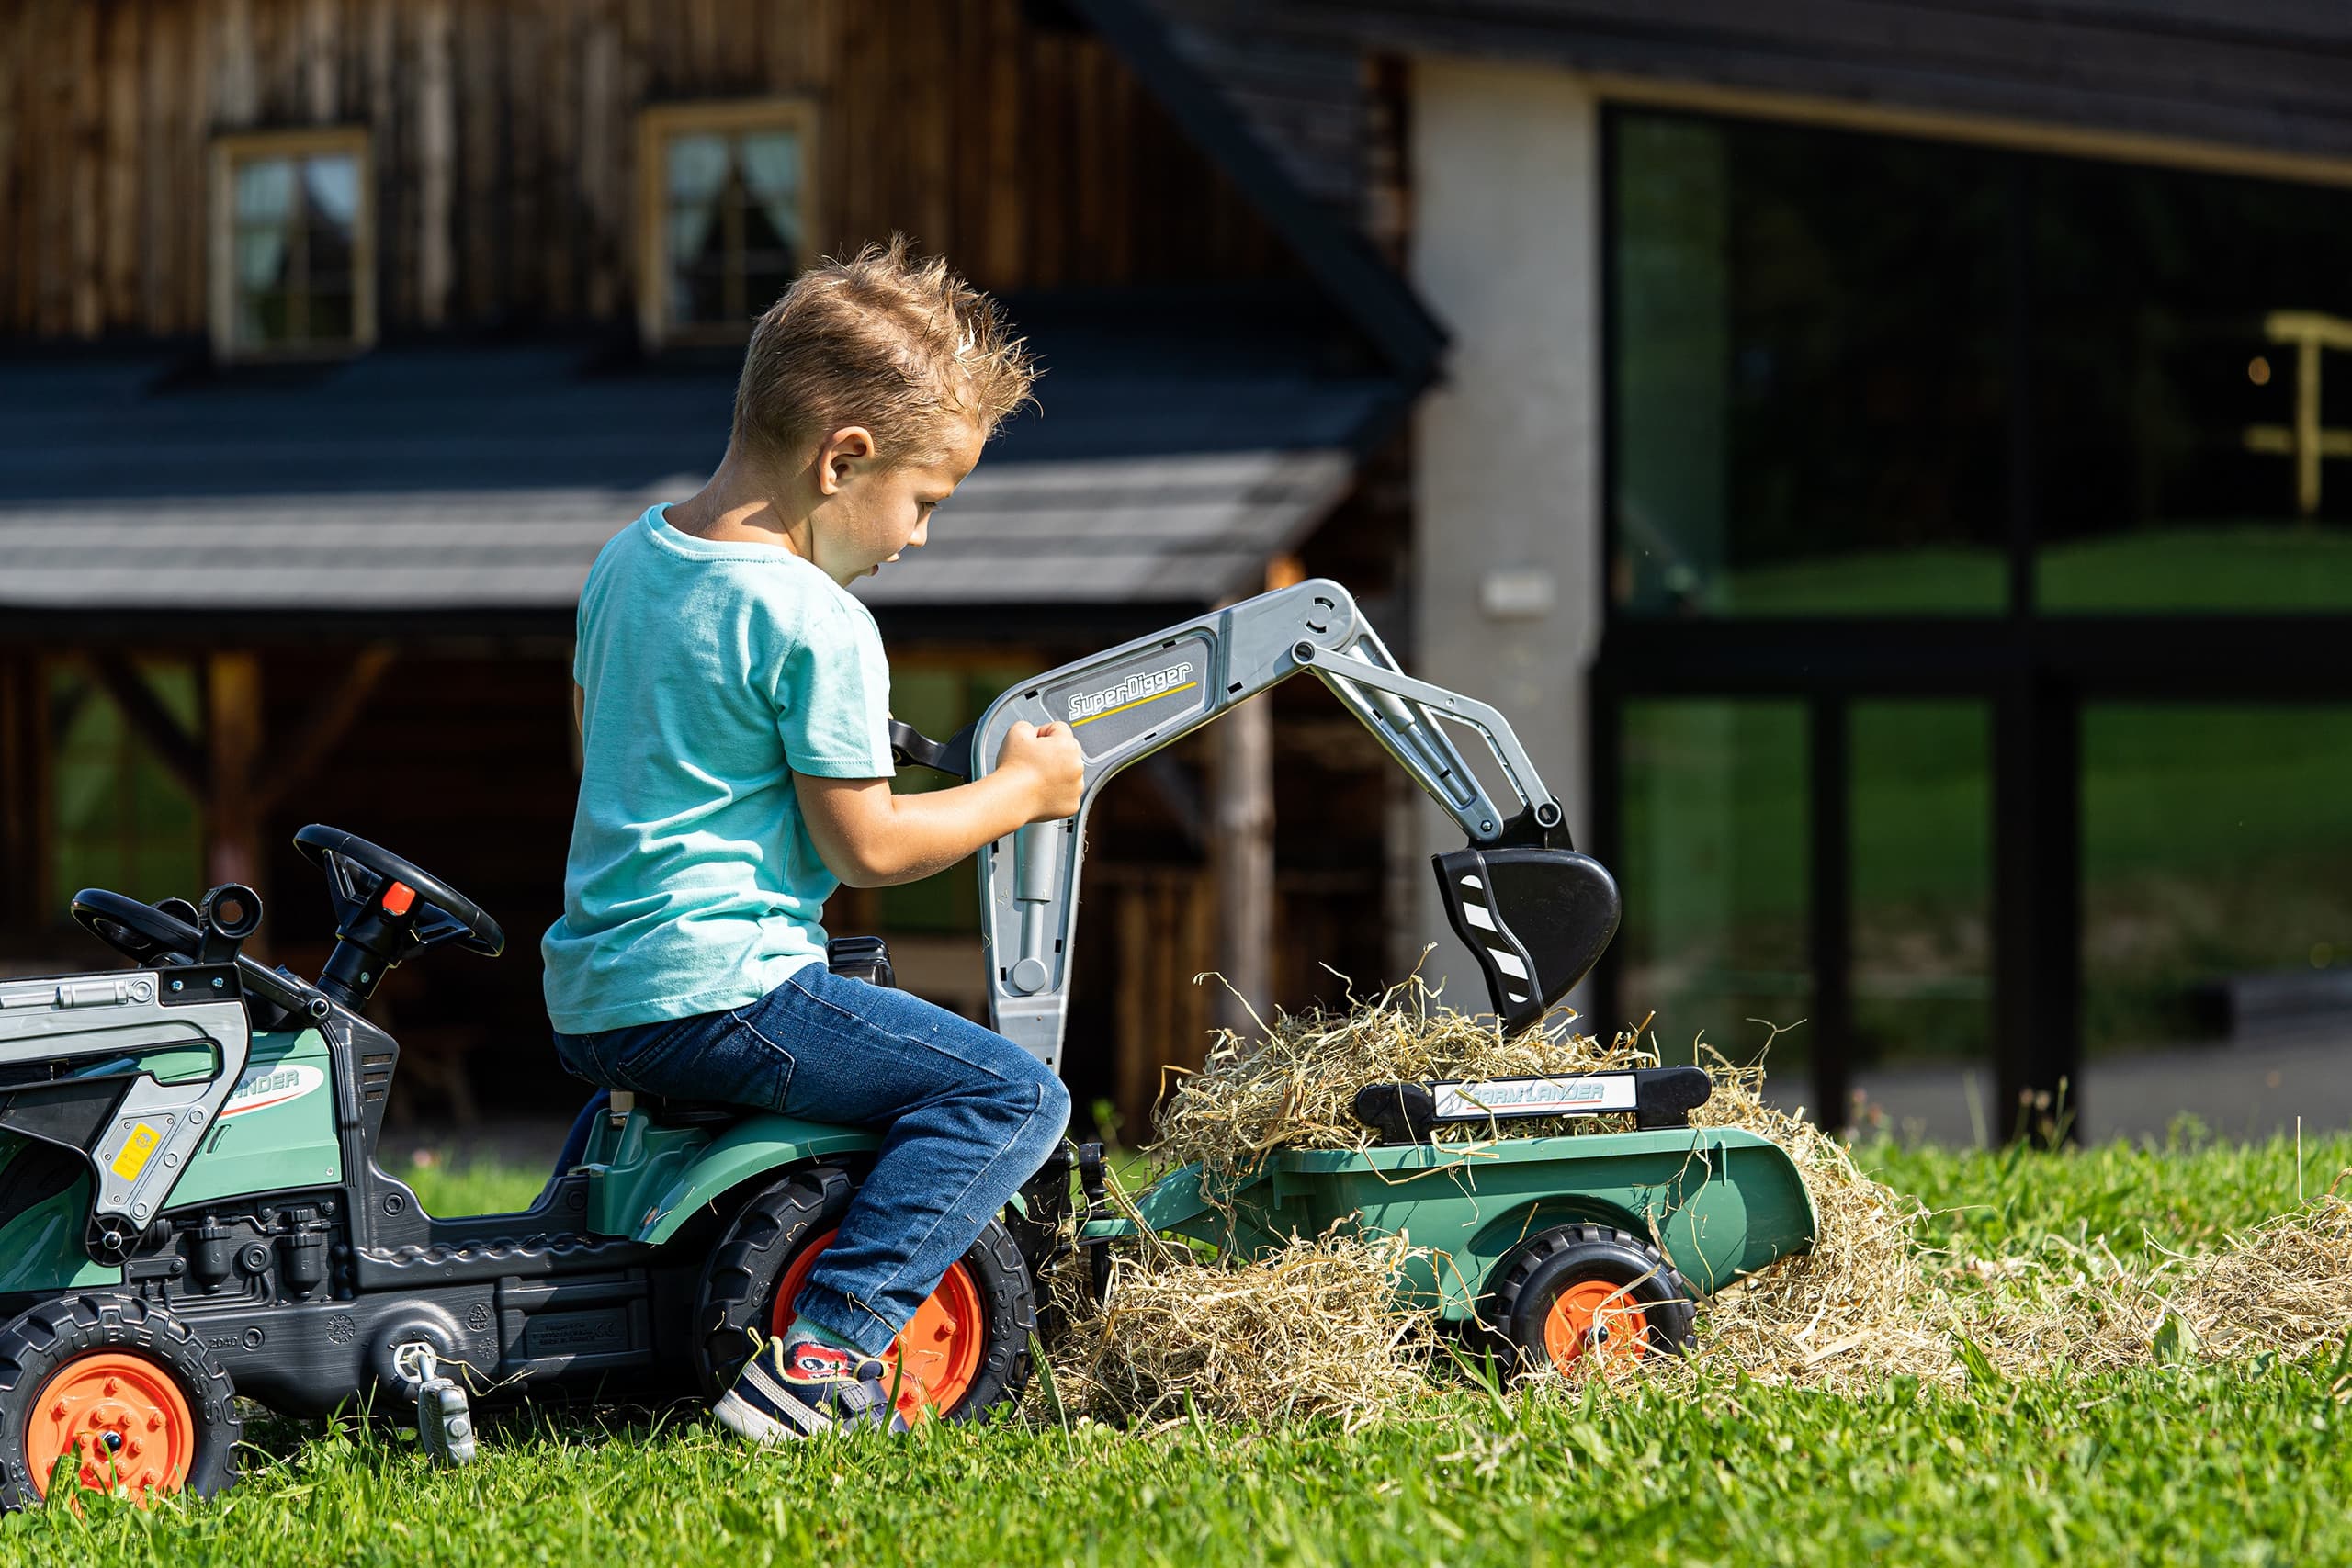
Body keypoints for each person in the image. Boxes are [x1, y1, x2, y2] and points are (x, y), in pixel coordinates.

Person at [541, 238, 1080, 1441]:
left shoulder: (626, 562)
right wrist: (1022, 793)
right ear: (845, 458)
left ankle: (567, 1294)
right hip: (725, 986)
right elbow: (870, 852)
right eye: (925, 501)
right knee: (1009, 1097)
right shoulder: (817, 621)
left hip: (599, 993)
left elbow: (613, 766)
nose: (921, 538)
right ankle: (827, 1351)